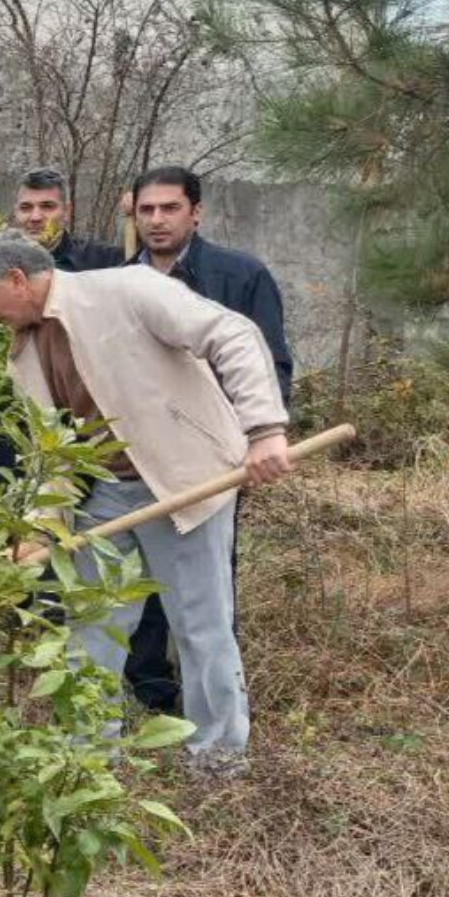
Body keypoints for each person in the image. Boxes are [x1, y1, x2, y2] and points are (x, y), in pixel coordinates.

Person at [0, 229, 292, 772]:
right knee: (93, 625)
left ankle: (219, 760)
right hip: (107, 492)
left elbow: (231, 334)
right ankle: (91, 755)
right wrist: (43, 526)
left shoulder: (129, 289)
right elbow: (58, 449)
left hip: (185, 483)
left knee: (200, 625)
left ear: (16, 280)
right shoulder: (24, 351)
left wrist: (264, 429)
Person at [125, 165, 295, 713]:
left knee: (209, 585)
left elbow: (272, 365)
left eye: (169, 208)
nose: (156, 220)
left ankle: (217, 702)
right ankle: (151, 692)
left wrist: (259, 438)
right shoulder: (119, 279)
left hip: (215, 460)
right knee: (140, 580)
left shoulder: (239, 276)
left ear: (195, 211)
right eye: (146, 209)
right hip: (138, 460)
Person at [0, 167, 124, 484]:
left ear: (67, 211)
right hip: (4, 418)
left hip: (75, 422)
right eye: (26, 207)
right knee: (11, 518)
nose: (35, 217)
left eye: (47, 207)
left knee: (74, 519)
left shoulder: (101, 263)